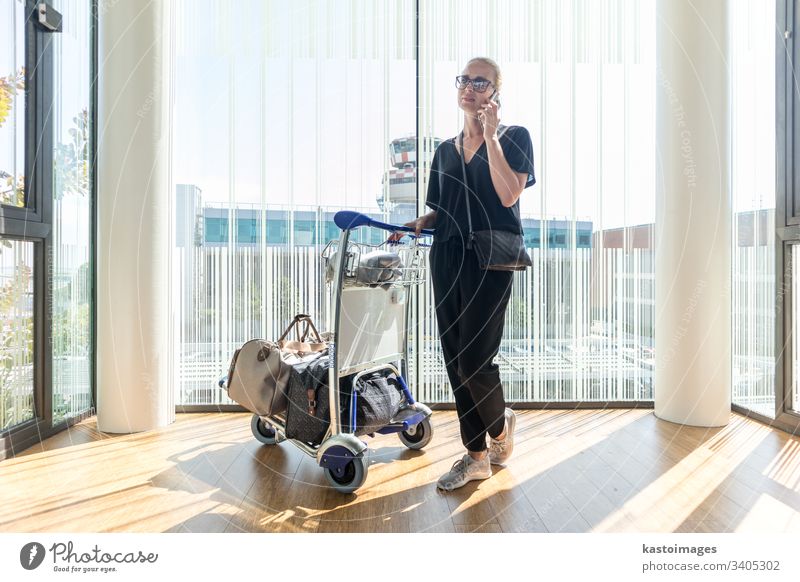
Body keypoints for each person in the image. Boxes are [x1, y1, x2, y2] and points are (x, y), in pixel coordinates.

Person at [398, 57, 536, 491]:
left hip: (490, 262)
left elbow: (509, 193)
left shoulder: (513, 137)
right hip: (447, 259)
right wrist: (423, 221)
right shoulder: (443, 150)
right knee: (456, 360)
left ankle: (499, 429)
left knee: (477, 359)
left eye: (482, 81)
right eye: (465, 80)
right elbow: (443, 210)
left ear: (496, 91)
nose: (470, 87)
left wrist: (491, 136)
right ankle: (476, 455)